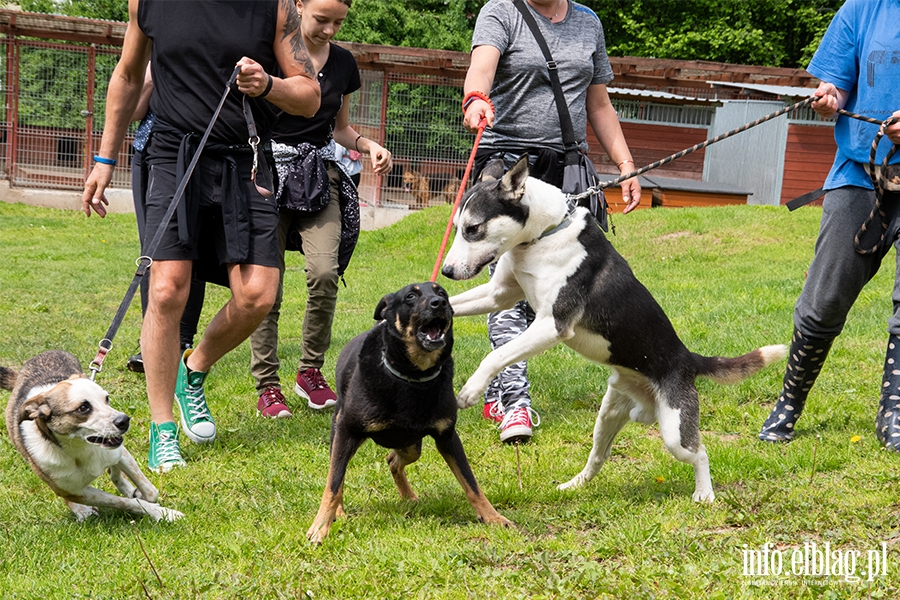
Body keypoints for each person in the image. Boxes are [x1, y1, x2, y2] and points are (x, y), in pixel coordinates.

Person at [82, 0, 321, 473]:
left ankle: (194, 368)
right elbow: (128, 77)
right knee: (167, 289)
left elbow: (310, 94)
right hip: (173, 154)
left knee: (258, 295)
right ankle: (162, 429)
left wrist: (268, 84)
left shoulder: (274, 8)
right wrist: (105, 159)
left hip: (244, 158)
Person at [462, 0, 642, 444]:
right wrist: (475, 100)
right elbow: (481, 69)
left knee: (546, 293)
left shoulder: (588, 22)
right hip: (507, 172)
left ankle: (505, 391)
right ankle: (515, 404)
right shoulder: (500, 12)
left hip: (565, 169)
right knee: (506, 286)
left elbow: (598, 103)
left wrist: (624, 162)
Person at [758, 0, 900, 448]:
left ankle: (894, 414)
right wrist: (830, 97)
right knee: (823, 301)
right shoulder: (864, 8)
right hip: (860, 173)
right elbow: (836, 83)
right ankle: (788, 403)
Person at [249, 0, 392, 419]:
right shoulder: (265, 52)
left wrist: (368, 145)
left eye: (339, 22)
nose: (330, 30)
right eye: (321, 20)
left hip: (318, 176)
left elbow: (340, 128)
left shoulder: (344, 64)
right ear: (298, 6)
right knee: (265, 286)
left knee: (326, 272)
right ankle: (268, 385)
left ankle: (310, 371)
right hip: (266, 175)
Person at [126, 64, 206, 374]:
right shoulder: (161, 37)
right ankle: (152, 344)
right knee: (155, 253)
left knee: (190, 250)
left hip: (207, 153)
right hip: (152, 152)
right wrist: (151, 73)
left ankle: (183, 343)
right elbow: (133, 109)